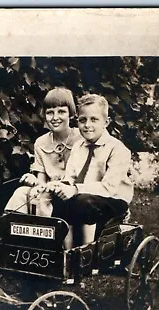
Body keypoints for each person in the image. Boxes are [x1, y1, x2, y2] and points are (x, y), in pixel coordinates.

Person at [46, 93, 134, 247]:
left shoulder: (118, 149)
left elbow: (109, 188)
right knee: (60, 200)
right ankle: (67, 251)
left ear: (106, 122)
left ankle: (86, 254)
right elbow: (71, 177)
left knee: (83, 201)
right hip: (85, 196)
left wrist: (74, 189)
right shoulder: (78, 147)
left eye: (94, 120)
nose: (87, 125)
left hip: (113, 200)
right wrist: (61, 186)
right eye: (82, 120)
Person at [5, 87, 81, 215]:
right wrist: (34, 180)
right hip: (49, 192)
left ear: (71, 113)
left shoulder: (81, 137)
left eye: (61, 112)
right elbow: (41, 181)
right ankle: (13, 229)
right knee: (21, 193)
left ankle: (50, 230)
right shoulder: (41, 143)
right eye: (50, 112)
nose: (55, 117)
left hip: (73, 191)